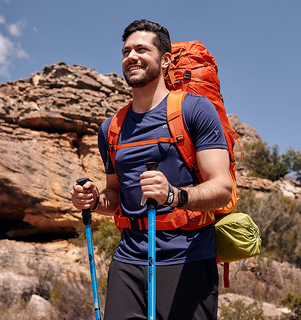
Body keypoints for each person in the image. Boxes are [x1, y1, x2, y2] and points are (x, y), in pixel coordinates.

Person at [71, 19, 232, 320]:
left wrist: (173, 196)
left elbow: (222, 188)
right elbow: (116, 196)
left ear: (165, 59)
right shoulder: (111, 129)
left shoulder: (194, 110)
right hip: (128, 260)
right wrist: (94, 200)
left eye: (142, 49)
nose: (131, 56)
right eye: (126, 51)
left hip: (188, 257)